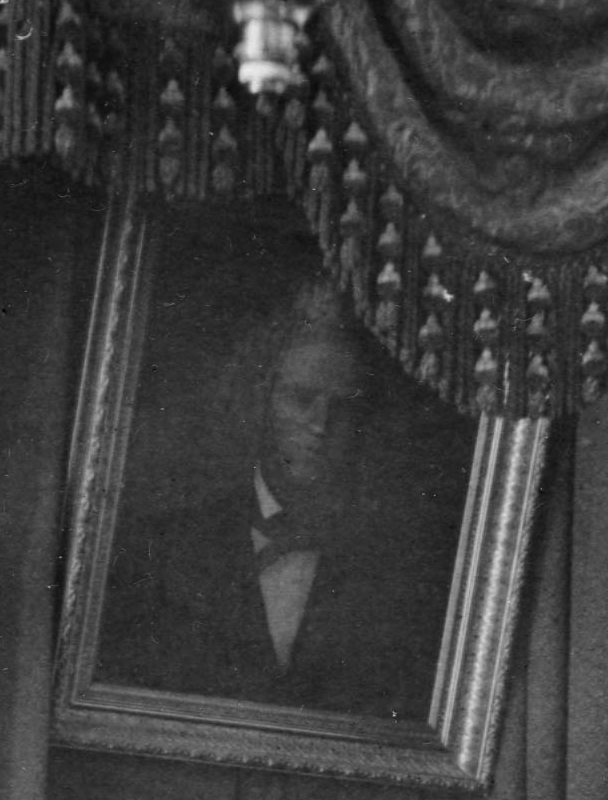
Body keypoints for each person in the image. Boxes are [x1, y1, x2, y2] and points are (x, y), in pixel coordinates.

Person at [95, 282, 455, 718]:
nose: (321, 425)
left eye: (342, 407)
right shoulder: (168, 545)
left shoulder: (397, 564)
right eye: (301, 400)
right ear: (261, 400)